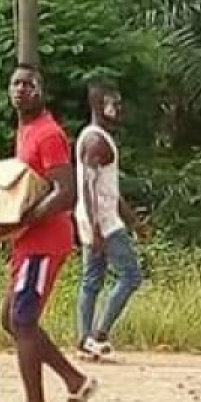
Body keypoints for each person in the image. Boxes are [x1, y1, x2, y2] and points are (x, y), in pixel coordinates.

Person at [0, 64, 97, 402]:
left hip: (44, 241)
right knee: (12, 318)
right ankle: (74, 381)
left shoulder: (48, 134)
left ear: (41, 91)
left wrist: (25, 219)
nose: (21, 90)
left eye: (29, 84)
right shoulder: (26, 130)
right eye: (16, 84)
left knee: (22, 319)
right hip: (30, 240)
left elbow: (65, 192)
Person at [74, 83, 145, 361]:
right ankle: (99, 333)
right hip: (102, 221)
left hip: (98, 217)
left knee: (92, 280)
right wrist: (96, 228)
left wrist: (135, 222)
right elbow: (90, 189)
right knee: (130, 275)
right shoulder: (96, 142)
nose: (117, 108)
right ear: (96, 106)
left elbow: (108, 190)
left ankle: (84, 339)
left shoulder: (96, 138)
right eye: (111, 103)